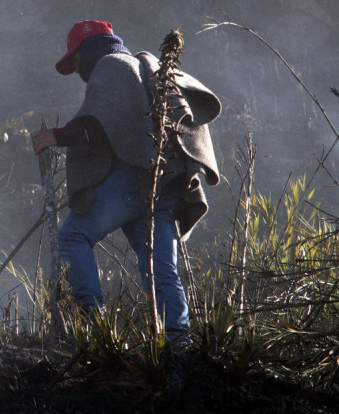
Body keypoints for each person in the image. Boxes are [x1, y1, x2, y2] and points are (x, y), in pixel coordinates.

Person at [30, 20, 220, 344]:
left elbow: (101, 129)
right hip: (166, 186)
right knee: (161, 271)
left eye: (76, 61)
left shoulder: (111, 66)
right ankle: (179, 344)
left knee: (73, 236)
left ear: (88, 51)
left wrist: (56, 137)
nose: (77, 71)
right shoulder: (146, 69)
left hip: (135, 181)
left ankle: (96, 330)